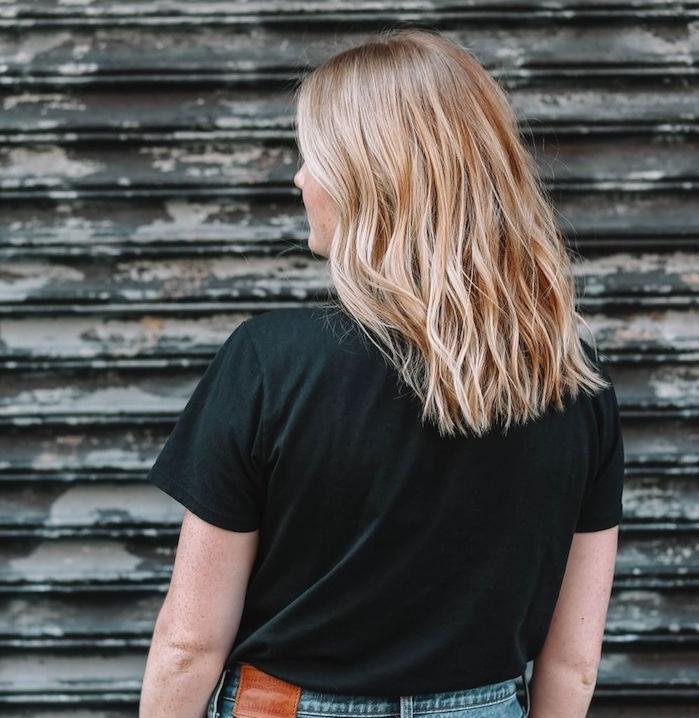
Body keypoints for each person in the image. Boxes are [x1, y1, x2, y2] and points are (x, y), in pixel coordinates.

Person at [138, 28, 624, 718]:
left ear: (368, 177)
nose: (298, 179)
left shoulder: (269, 363)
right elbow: (572, 662)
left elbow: (189, 643)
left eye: (313, 156)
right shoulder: (571, 381)